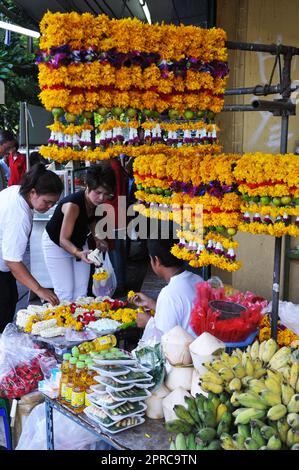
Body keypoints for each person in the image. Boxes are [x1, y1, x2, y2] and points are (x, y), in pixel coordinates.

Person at [0, 163, 63, 332]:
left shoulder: (17, 191)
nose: (49, 207)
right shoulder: (19, 216)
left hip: (3, 271)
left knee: (10, 301)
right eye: (47, 202)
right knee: (4, 316)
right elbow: (12, 261)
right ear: (33, 192)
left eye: (53, 203)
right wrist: (39, 289)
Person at [42, 163, 116, 302]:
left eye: (106, 194)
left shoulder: (96, 204)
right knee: (65, 292)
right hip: (56, 243)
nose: (101, 198)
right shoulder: (73, 205)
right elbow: (63, 239)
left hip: (79, 242)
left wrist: (98, 239)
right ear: (87, 186)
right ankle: (64, 322)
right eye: (98, 192)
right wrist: (78, 253)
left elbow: (91, 220)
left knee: (81, 292)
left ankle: (81, 321)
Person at [131, 236, 204, 342]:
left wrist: (147, 323)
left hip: (184, 356)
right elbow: (182, 314)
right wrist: (152, 304)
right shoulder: (198, 279)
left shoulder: (168, 294)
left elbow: (163, 342)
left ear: (156, 260)